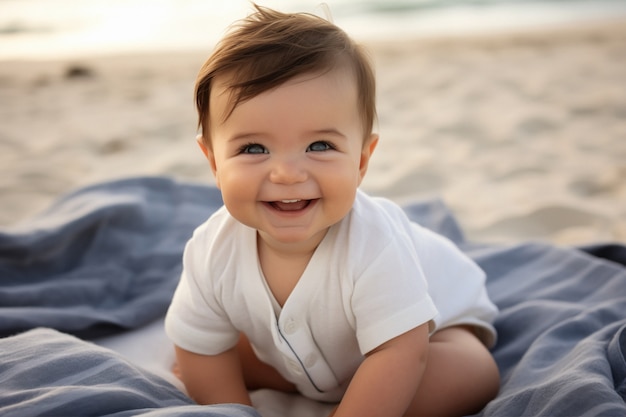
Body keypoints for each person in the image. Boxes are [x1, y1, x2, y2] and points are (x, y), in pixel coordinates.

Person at [165, 4, 500, 417]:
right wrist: (229, 405)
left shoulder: (373, 242)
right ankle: (318, 382)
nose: (287, 173)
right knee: (217, 351)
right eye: (253, 148)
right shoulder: (210, 251)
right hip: (314, 355)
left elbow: (401, 352)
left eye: (319, 146)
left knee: (468, 371)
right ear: (214, 161)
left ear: (361, 160)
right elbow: (198, 346)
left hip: (428, 334)